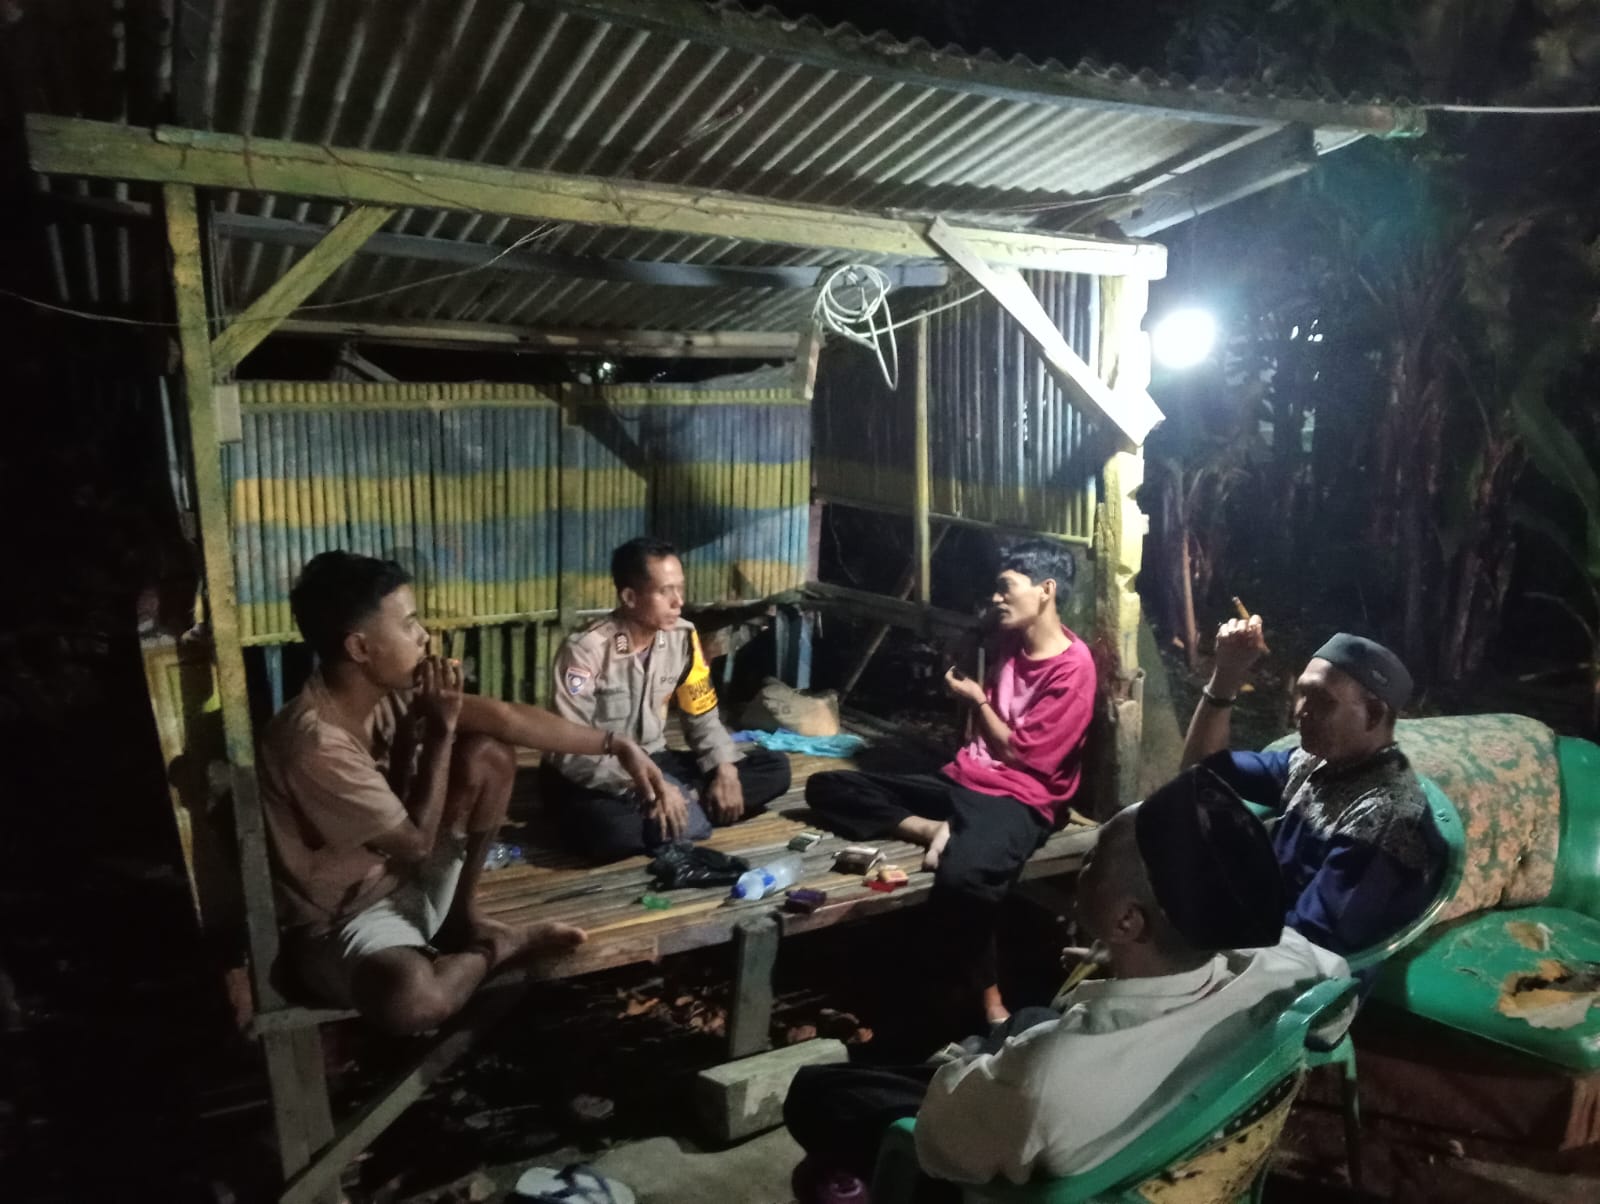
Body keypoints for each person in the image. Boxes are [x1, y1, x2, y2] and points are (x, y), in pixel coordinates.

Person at [783, 768, 1348, 1197]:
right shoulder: (1285, 968)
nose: (1084, 866)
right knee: (1029, 1019)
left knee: (821, 1092)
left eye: (1095, 858)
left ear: (1128, 922)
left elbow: (938, 1139)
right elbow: (1337, 977)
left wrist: (971, 1062)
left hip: (1011, 1138)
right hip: (1147, 1133)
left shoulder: (1048, 1075)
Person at [259, 551, 669, 1035]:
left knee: (489, 753)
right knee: (416, 1001)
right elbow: (415, 844)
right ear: (360, 648)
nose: (423, 637)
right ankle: (500, 947)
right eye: (408, 624)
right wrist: (439, 733)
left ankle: (462, 917)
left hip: (404, 883)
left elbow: (507, 718)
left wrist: (617, 744)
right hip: (341, 923)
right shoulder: (314, 742)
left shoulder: (387, 693)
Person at [803, 540, 1095, 1025]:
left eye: (1006, 588)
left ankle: (990, 1000)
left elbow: (1020, 755)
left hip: (1020, 795)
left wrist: (977, 700)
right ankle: (931, 829)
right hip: (966, 777)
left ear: (1046, 590)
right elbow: (978, 633)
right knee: (829, 786)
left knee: (964, 878)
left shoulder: (1073, 668)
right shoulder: (1011, 640)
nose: (996, 598)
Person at [1179, 617, 1446, 957]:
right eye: (1302, 694)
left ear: (1374, 714)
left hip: (1300, 975)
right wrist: (1227, 676)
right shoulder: (1316, 763)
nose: (1300, 711)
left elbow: (1310, 948)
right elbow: (1202, 770)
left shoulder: (1385, 818)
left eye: (1321, 700)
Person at [545, 537, 791, 862]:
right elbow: (567, 748)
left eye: (680, 589)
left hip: (656, 758)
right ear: (630, 597)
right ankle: (685, 808)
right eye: (665, 591)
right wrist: (648, 786)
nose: (678, 602)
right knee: (608, 830)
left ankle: (677, 809)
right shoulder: (586, 650)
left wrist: (725, 768)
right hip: (602, 773)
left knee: (775, 768)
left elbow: (702, 716)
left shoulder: (682, 638)